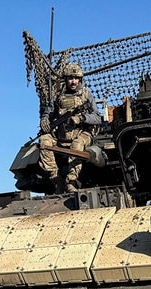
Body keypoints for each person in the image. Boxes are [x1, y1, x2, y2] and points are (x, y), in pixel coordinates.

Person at [38, 63, 101, 193]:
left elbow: (97, 117)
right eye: (70, 78)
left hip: (81, 133)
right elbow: (49, 112)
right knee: (44, 141)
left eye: (76, 78)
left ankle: (71, 181)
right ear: (65, 79)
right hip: (61, 135)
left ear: (80, 79)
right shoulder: (57, 95)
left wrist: (81, 118)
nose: (73, 82)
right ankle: (56, 181)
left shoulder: (86, 94)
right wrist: (44, 120)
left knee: (77, 146)